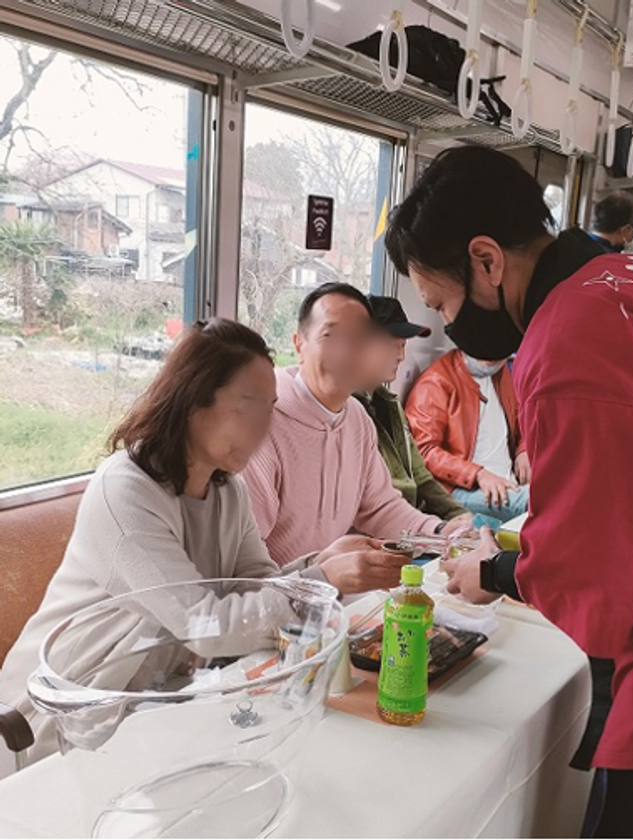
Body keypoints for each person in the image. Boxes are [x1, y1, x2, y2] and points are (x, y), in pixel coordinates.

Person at [385, 145, 633, 837]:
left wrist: (494, 572)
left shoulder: (578, 327)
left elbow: (597, 561)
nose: (448, 324)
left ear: (485, 261)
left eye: (441, 302)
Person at [0, 319, 412, 761]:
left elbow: (257, 584)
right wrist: (322, 581)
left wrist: (322, 564)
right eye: (248, 408)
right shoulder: (126, 490)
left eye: (270, 410)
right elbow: (202, 626)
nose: (264, 428)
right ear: (192, 402)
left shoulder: (227, 490)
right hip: (60, 722)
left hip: (153, 709)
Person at [243, 283, 462, 565]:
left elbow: (380, 509)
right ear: (299, 344)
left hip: (333, 583)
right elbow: (247, 560)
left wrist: (443, 534)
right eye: (331, 335)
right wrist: (318, 578)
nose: (345, 352)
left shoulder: (357, 418)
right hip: (278, 586)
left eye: (358, 339)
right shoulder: (264, 424)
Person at [353, 295, 472, 525]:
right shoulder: (347, 413)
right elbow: (371, 503)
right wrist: (437, 529)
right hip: (389, 527)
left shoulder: (390, 405)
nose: (401, 356)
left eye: (403, 345)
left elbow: (421, 477)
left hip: (417, 520)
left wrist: (458, 516)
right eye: (391, 346)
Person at [405, 349, 530, 529]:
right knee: (540, 501)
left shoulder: (501, 373)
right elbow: (424, 452)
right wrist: (478, 474)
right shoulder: (434, 382)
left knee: (561, 490)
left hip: (508, 481)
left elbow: (520, 417)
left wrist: (524, 449)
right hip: (458, 489)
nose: (491, 359)